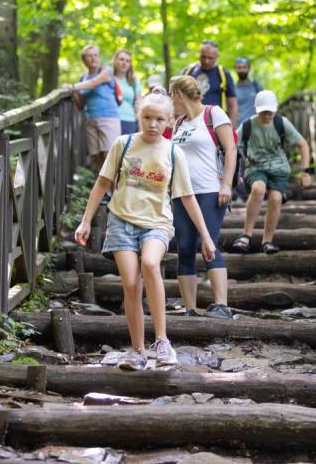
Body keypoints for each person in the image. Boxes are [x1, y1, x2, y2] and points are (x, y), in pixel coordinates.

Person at [74, 88, 216, 371]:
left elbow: (186, 197)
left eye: (160, 119)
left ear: (170, 121)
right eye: (147, 118)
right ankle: (137, 350)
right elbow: (102, 183)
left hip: (156, 223)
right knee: (130, 284)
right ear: (139, 116)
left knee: (150, 264)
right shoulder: (123, 144)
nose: (153, 124)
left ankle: (162, 341)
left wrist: (207, 237)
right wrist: (86, 220)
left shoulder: (174, 152)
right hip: (121, 221)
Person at [169, 75, 237, 318]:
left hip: (210, 189)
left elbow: (231, 148)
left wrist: (227, 184)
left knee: (207, 243)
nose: (170, 100)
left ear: (178, 94)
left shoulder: (213, 113)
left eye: (171, 95)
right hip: (181, 193)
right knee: (185, 246)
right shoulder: (178, 123)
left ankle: (221, 304)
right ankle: (190, 308)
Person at [231, 90, 311, 254]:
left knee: (275, 198)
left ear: (275, 109)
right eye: (263, 112)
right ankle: (246, 235)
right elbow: (231, 145)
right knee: (258, 189)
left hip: (279, 168)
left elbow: (303, 144)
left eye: (270, 112)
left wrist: (305, 171)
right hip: (255, 167)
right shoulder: (247, 125)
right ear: (256, 109)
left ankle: (267, 240)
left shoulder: (282, 123)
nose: (267, 115)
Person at [66, 45, 121, 171]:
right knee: (96, 157)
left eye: (96, 55)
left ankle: (114, 189)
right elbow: (80, 106)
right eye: (89, 56)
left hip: (108, 118)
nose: (93, 58)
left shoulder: (106, 71)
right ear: (84, 60)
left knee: (108, 155)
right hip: (90, 120)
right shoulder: (83, 78)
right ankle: (104, 190)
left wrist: (73, 86)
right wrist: (73, 92)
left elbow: (93, 83)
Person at [182, 40, 238, 124]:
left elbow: (232, 103)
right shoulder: (188, 71)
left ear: (217, 56)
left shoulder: (223, 74)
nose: (206, 61)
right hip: (190, 120)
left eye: (210, 58)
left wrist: (231, 125)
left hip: (215, 122)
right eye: (203, 57)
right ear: (199, 54)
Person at [112, 49, 141, 135]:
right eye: (121, 59)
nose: (124, 63)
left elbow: (138, 103)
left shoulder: (134, 82)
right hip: (112, 120)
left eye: (127, 61)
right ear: (115, 61)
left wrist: (139, 121)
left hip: (130, 121)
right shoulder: (109, 79)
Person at [233, 57, 264, 126]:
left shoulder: (256, 87)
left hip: (256, 127)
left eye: (244, 67)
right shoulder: (232, 89)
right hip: (238, 129)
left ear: (249, 68)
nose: (242, 70)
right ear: (235, 69)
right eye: (239, 68)